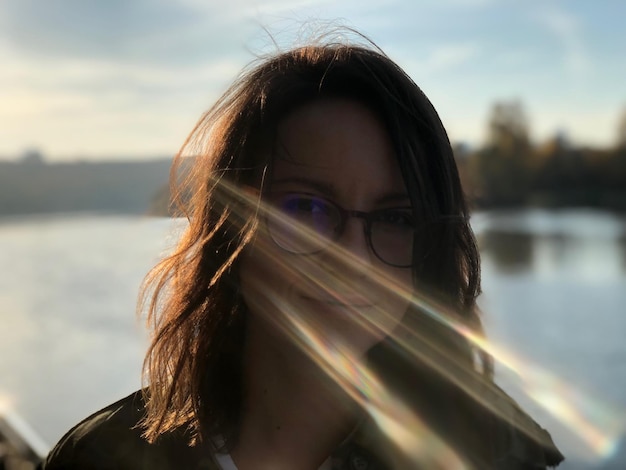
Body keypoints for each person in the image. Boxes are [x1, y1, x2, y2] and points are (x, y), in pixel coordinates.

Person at [39, 32, 564, 469]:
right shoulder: (104, 460)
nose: (351, 258)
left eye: (397, 218)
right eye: (306, 209)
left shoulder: (495, 454)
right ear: (231, 230)